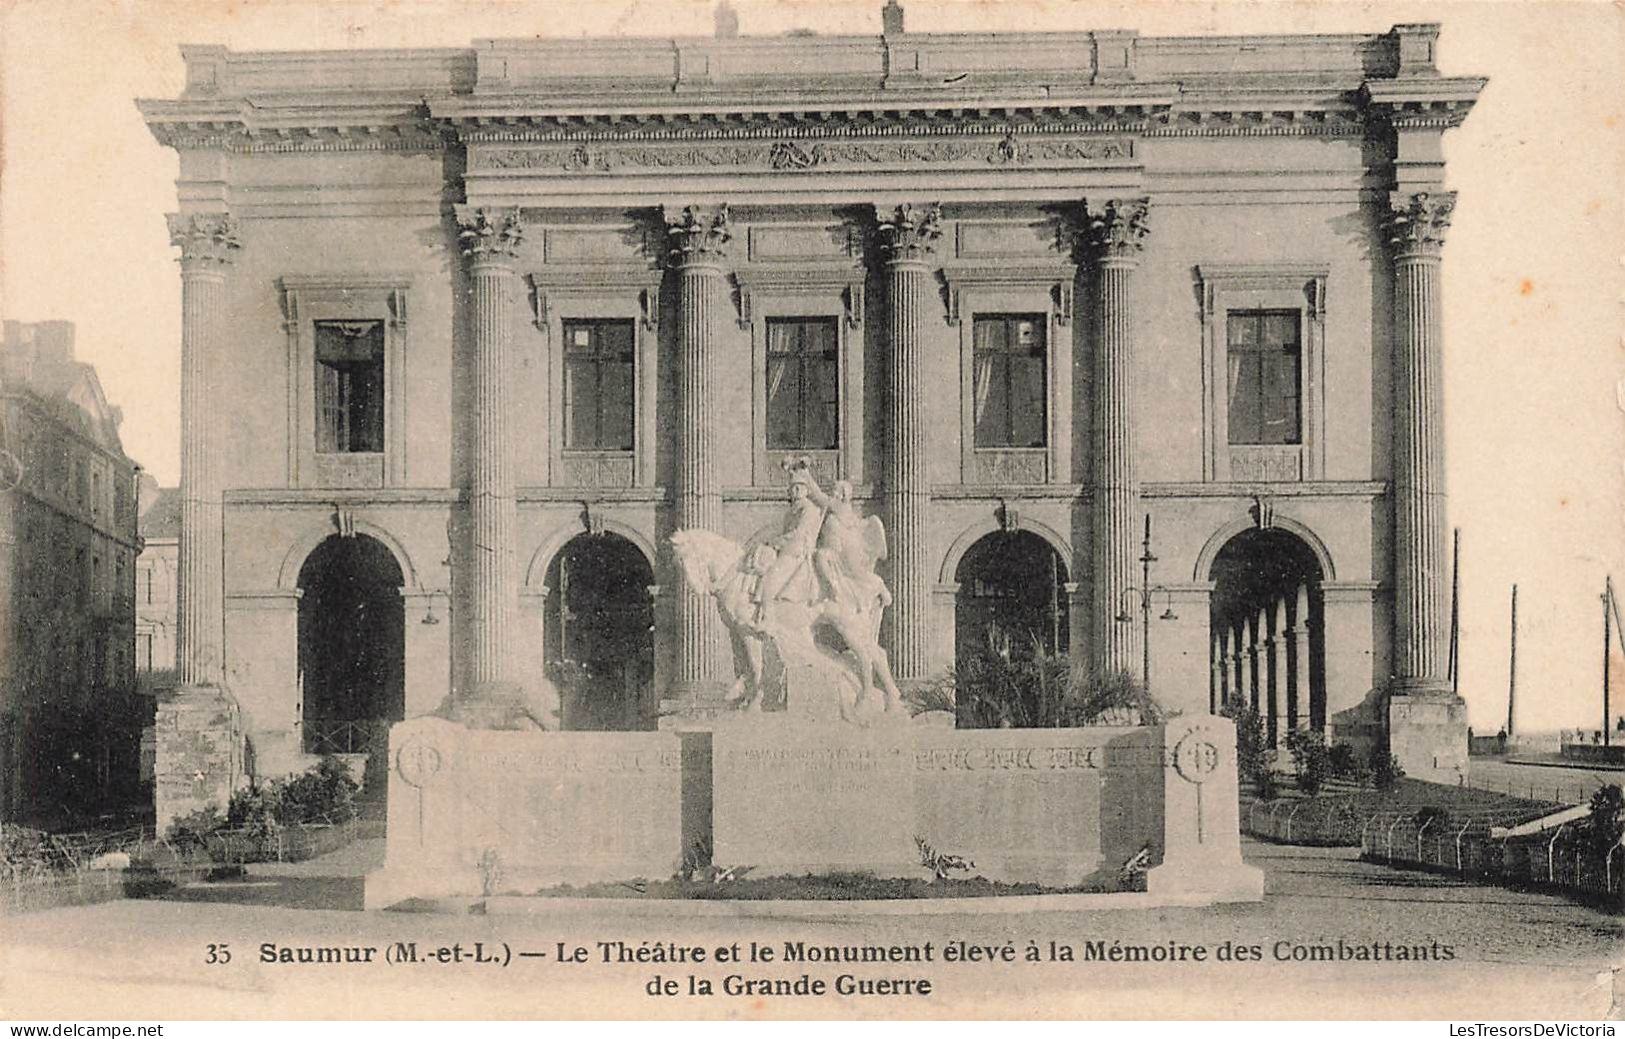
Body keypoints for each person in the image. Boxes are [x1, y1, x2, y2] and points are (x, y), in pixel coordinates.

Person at [752, 461, 828, 621]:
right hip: (785, 550)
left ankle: (767, 618)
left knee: (771, 578)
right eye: (793, 488)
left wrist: (776, 542)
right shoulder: (790, 513)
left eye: (799, 487)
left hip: (796, 552)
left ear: (807, 490)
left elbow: (798, 534)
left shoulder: (809, 510)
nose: (795, 491)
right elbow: (784, 531)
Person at [814, 480, 891, 613]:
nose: (833, 494)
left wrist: (805, 476)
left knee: (821, 557)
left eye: (836, 491)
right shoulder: (841, 511)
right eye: (833, 491)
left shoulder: (841, 508)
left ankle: (835, 588)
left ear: (843, 495)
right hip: (836, 549)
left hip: (842, 553)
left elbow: (819, 497)